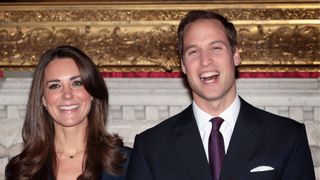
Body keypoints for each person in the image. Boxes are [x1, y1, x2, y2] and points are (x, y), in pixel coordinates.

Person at [126, 10, 315, 180]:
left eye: (216, 48)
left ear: (235, 56)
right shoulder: (150, 147)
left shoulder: (287, 137)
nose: (205, 61)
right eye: (193, 52)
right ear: (183, 65)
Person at [5, 45, 130, 180]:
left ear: (92, 92)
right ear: (43, 100)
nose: (67, 95)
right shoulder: (19, 170)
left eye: (76, 83)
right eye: (55, 85)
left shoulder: (128, 163)